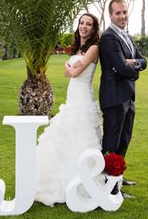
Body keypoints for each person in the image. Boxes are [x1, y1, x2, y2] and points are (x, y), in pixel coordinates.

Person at [35, 13, 102, 206]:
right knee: (65, 137)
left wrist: (67, 64)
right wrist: (69, 67)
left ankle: (83, 185)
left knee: (81, 138)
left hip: (83, 98)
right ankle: (61, 183)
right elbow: (68, 74)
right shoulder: (78, 48)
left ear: (93, 28)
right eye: (82, 23)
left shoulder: (94, 48)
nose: (84, 27)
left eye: (88, 24)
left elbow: (73, 72)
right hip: (72, 97)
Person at [99, 0, 147, 194]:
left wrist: (132, 63)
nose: (122, 16)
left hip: (128, 96)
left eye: (124, 12)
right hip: (114, 97)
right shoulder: (109, 37)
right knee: (112, 142)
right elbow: (120, 66)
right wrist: (134, 69)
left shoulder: (127, 36)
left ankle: (117, 177)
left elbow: (144, 61)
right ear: (110, 15)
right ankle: (109, 188)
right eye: (118, 13)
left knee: (124, 139)